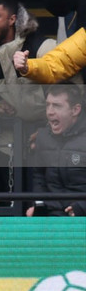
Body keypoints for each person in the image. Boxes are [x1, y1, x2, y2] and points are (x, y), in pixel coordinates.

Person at [27, 85, 86, 216]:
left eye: (57, 106)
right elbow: (39, 177)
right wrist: (38, 205)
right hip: (51, 212)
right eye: (48, 105)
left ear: (75, 110)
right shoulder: (43, 137)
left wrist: (82, 207)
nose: (50, 111)